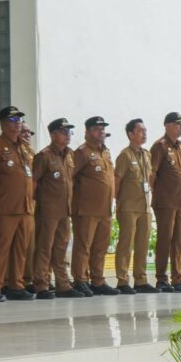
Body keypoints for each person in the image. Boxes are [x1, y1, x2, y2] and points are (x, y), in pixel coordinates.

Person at [0, 106, 35, 301]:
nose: (17, 123)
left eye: (19, 120)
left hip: (25, 207)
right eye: (13, 120)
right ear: (3, 124)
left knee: (21, 248)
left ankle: (15, 285)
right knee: (0, 248)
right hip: (3, 208)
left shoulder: (24, 146)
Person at [31, 118, 81, 299]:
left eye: (69, 131)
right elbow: (33, 183)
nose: (67, 135)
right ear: (53, 135)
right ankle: (41, 284)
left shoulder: (70, 155)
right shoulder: (44, 156)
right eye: (63, 131)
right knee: (44, 247)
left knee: (61, 247)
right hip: (48, 210)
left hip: (64, 210)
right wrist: (38, 204)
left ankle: (63, 284)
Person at [71, 116, 118, 297]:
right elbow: (71, 178)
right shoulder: (82, 153)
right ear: (88, 132)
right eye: (97, 129)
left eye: (103, 129)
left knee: (100, 246)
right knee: (83, 246)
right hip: (86, 209)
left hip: (104, 209)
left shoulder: (105, 152)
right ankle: (80, 280)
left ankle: (97, 280)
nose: (101, 132)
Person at [150, 111, 181, 293]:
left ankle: (177, 278)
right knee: (164, 239)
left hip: (180, 201)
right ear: (167, 125)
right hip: (165, 201)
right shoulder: (160, 146)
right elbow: (152, 174)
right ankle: (162, 278)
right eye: (177, 124)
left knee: (177, 241)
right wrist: (158, 195)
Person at [114, 119, 156, 294]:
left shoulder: (147, 155)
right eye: (140, 131)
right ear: (131, 134)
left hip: (144, 206)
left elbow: (150, 179)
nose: (144, 133)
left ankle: (141, 279)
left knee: (142, 244)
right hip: (128, 207)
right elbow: (116, 180)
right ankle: (123, 281)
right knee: (126, 243)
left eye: (145, 130)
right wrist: (116, 202)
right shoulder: (125, 155)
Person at [19, 124, 37, 292]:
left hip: (31, 206)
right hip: (13, 206)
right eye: (24, 131)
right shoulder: (9, 150)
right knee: (17, 246)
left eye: (29, 132)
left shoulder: (31, 153)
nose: (27, 135)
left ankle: (28, 279)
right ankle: (8, 281)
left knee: (30, 246)